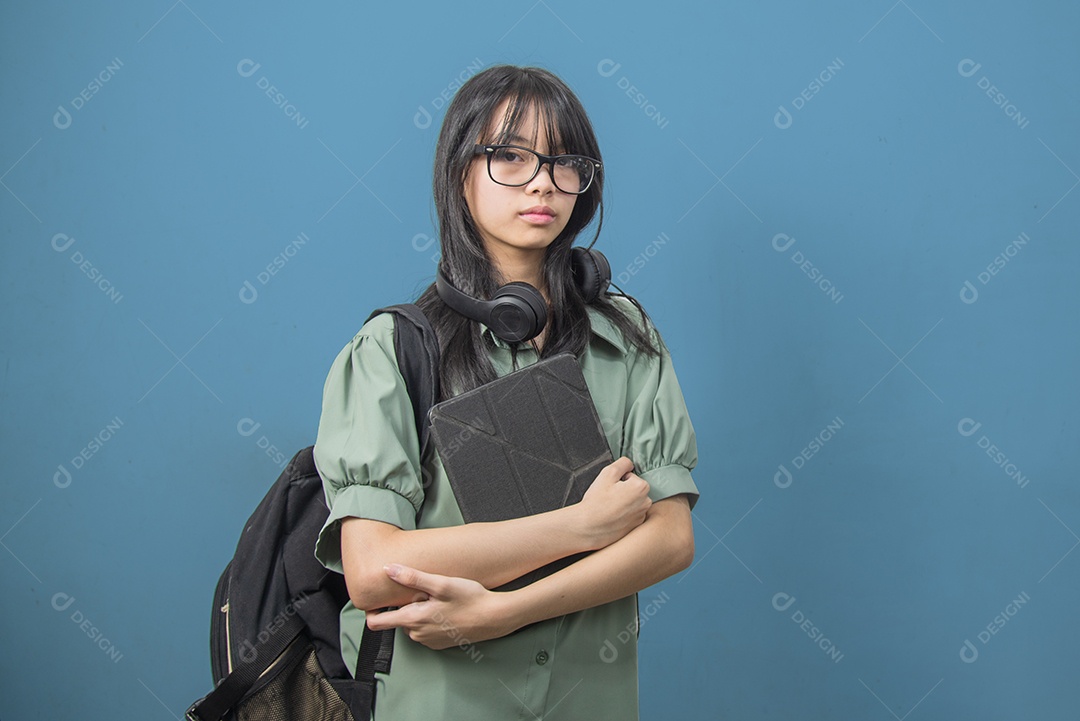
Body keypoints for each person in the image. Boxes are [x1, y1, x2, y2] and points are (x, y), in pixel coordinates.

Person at [312, 64, 699, 720]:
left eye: (564, 161)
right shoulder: (391, 350)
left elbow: (670, 537)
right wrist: (581, 526)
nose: (543, 181)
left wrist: (504, 610)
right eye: (510, 157)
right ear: (458, 169)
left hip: (592, 701)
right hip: (441, 702)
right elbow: (376, 569)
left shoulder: (627, 335)